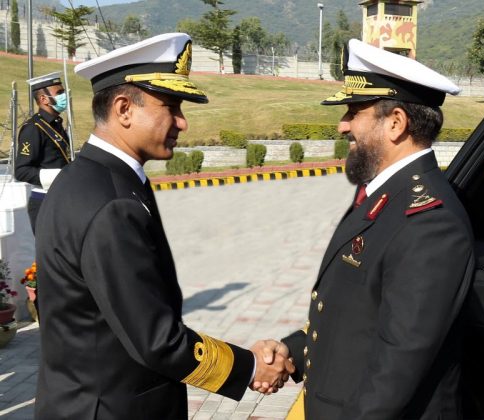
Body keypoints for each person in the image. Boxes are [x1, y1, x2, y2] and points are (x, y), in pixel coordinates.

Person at [34, 33, 293, 419]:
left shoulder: (92, 179)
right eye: (170, 106)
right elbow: (158, 340)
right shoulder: (112, 203)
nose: (182, 122)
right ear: (124, 108)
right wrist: (250, 367)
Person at [275, 39, 475, 419]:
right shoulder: (385, 198)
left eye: (353, 112)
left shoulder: (430, 224)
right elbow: (355, 318)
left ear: (396, 123)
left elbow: (394, 370)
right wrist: (294, 350)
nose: (342, 125)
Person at [15, 72, 70, 234]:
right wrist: (62, 175)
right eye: (59, 93)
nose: (64, 96)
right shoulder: (33, 128)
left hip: (62, 197)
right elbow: (21, 171)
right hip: (44, 201)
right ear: (43, 99)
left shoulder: (56, 124)